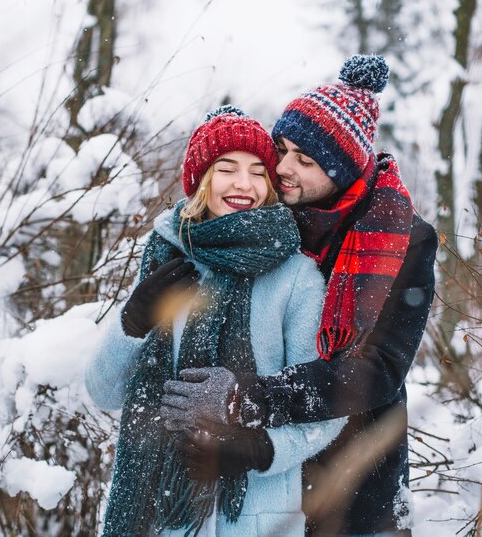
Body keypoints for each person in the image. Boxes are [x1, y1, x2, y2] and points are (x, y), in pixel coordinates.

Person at [160, 56, 438, 537]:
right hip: (270, 480)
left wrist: (245, 399)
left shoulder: (402, 240)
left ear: (344, 170)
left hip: (356, 483)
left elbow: (378, 371)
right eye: (282, 149)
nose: (283, 168)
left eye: (305, 161)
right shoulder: (272, 218)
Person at [85, 106, 346, 537]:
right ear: (202, 179)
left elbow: (326, 407)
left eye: (258, 171)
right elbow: (104, 391)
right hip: (160, 518)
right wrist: (133, 322)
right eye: (227, 169)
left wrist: (258, 449)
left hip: (255, 521)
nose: (244, 184)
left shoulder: (295, 276)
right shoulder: (164, 258)